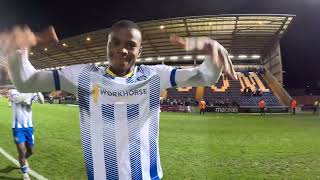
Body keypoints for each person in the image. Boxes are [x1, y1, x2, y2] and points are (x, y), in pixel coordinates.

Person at [1, 20, 237, 180]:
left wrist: (210, 50)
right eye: (115, 42)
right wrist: (17, 50)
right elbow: (26, 81)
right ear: (107, 45)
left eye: (130, 45)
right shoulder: (83, 75)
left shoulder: (155, 76)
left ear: (139, 51)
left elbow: (204, 75)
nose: (122, 50)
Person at [9, 89, 44, 180]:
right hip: (17, 127)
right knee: (22, 151)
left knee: (30, 151)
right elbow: (17, 99)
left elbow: (41, 101)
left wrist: (37, 89)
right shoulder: (13, 91)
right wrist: (30, 92)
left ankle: (23, 160)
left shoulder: (31, 91)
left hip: (29, 127)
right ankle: (25, 174)